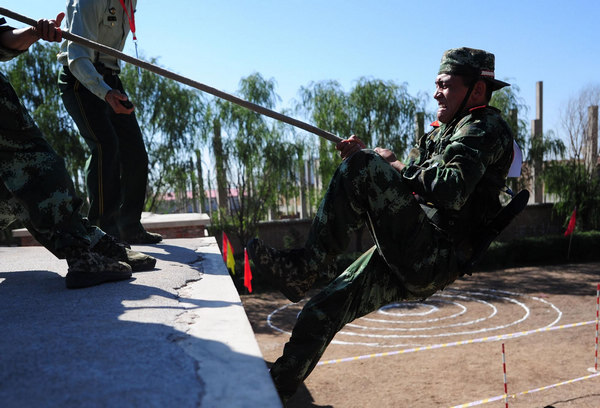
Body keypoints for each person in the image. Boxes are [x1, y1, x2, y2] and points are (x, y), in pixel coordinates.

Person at [247, 47, 515, 402]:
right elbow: (409, 184)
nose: (436, 92)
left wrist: (386, 165)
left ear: (477, 90)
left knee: (362, 167)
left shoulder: (486, 127)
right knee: (322, 309)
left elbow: (449, 190)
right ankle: (276, 389)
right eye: (437, 84)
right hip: (417, 244)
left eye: (446, 85)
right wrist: (374, 158)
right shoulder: (445, 129)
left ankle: (304, 267)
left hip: (434, 253)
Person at [0, 13, 156, 289]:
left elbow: (2, 39)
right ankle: (79, 251)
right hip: (84, 77)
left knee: (11, 188)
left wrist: (35, 32)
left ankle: (86, 237)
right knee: (35, 164)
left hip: (107, 74)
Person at [57, 0, 162, 245]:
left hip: (111, 76)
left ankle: (129, 227)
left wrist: (110, 87)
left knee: (136, 153)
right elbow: (78, 57)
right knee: (106, 146)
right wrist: (104, 92)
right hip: (80, 77)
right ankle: (103, 232)